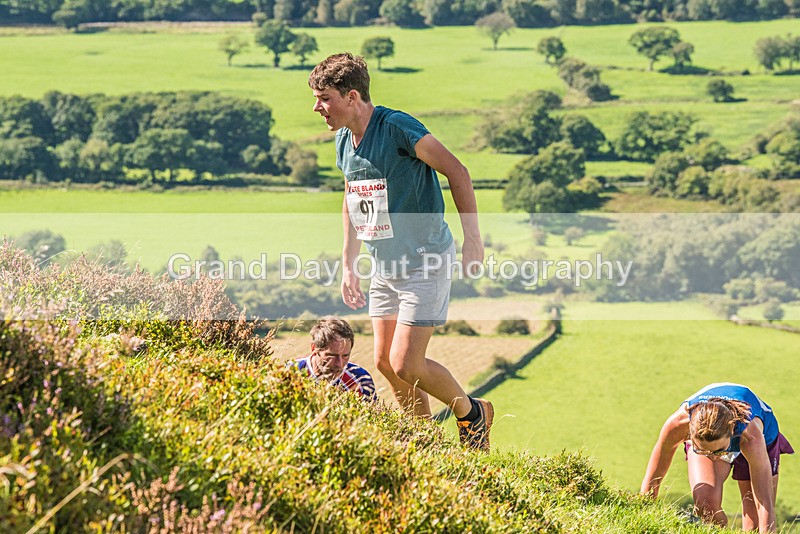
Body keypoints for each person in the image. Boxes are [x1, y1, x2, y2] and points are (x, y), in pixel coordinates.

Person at [308, 53, 493, 451]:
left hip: (425, 259)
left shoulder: (397, 128)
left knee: (407, 363)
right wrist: (348, 263)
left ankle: (473, 414)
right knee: (384, 364)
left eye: (324, 98)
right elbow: (351, 197)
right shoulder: (343, 139)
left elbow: (457, 171)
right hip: (384, 266)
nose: (317, 107)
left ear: (352, 95)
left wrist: (473, 240)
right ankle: (425, 446)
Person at [641, 383, 793, 532]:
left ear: (732, 432)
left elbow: (764, 504)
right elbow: (660, 459)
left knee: (754, 523)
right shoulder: (679, 423)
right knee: (706, 506)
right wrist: (644, 504)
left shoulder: (751, 436)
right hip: (714, 436)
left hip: (761, 438)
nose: (713, 458)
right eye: (703, 450)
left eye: (718, 452)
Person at [292, 317, 376, 400]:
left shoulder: (360, 378)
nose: (339, 364)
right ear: (314, 348)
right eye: (332, 355)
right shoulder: (291, 371)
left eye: (345, 356)